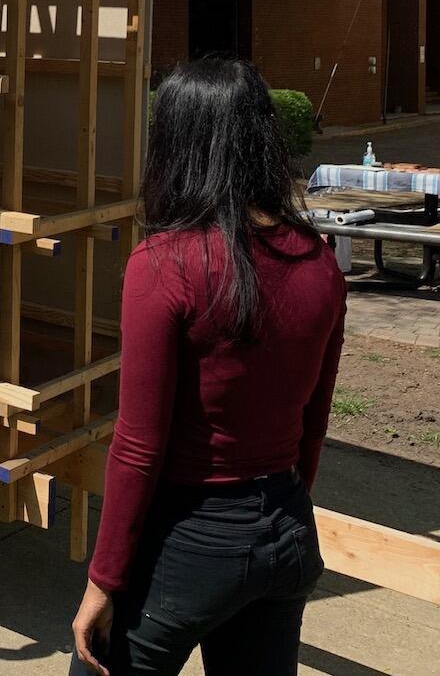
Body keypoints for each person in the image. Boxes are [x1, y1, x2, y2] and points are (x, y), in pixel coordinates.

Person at [70, 59, 347, 675]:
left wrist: (103, 581)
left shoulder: (163, 263)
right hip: (286, 528)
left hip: (190, 537)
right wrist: (285, 506)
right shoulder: (320, 263)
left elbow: (138, 446)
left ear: (176, 144)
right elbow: (315, 422)